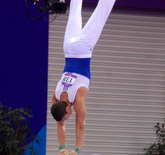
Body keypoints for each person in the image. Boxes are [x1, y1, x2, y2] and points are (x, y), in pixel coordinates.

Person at [51, 0, 116, 154]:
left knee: (102, 10)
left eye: (66, 116)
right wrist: (62, 149)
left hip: (83, 49)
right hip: (68, 47)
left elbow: (80, 125)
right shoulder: (56, 96)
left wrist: (77, 151)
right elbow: (60, 123)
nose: (67, 118)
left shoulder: (78, 100)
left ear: (67, 108)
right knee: (75, 7)